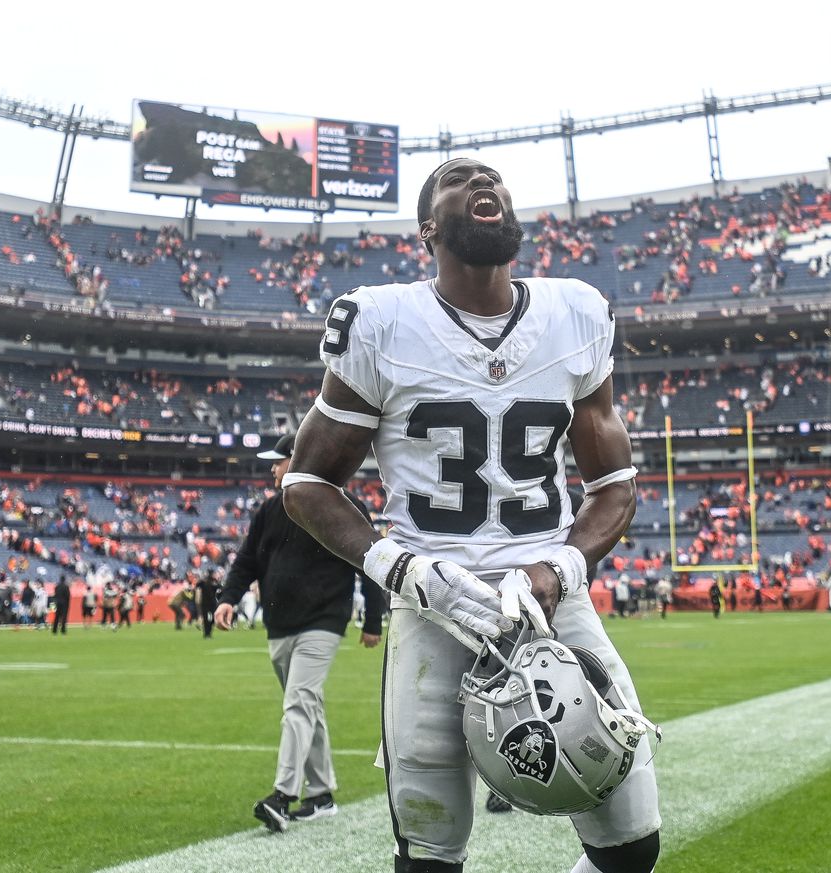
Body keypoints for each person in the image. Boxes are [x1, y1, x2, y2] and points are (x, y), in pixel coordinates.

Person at [281, 158, 660, 873]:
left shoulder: (575, 313)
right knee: (429, 858)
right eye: (458, 179)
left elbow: (614, 483)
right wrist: (406, 569)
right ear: (428, 228)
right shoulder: (381, 322)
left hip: (551, 604)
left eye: (493, 178)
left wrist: (558, 567)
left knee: (631, 849)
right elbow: (305, 482)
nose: (483, 182)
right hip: (434, 611)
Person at [215, 432, 386, 833]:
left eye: (277, 461)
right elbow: (246, 560)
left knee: (297, 703)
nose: (272, 468)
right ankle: (322, 793)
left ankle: (282, 795)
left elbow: (370, 562)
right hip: (279, 625)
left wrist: (374, 621)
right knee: (308, 706)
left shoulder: (343, 506)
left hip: (323, 622)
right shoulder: (269, 511)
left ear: (298, 459)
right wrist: (228, 597)